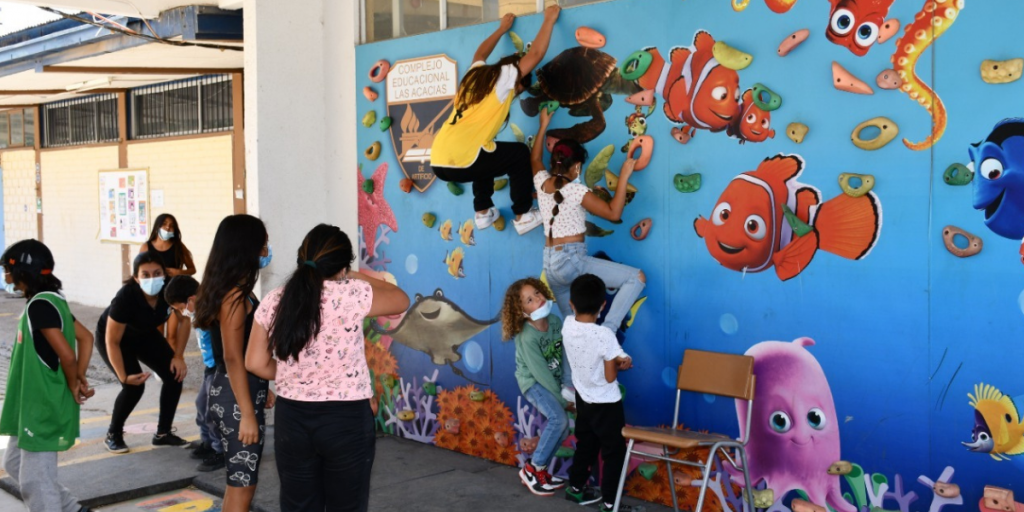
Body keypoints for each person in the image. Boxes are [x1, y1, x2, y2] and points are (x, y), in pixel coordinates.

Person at [246, 224, 409, 512]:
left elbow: (255, 362)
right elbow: (400, 299)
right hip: (345, 419)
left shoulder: (276, 298)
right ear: (342, 266)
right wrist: (350, 274)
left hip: (292, 418)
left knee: (298, 505)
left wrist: (293, 375)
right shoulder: (353, 293)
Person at [430, 6, 561, 235]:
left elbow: (480, 54)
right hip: (460, 158)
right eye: (520, 90)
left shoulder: (475, 75)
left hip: (440, 158)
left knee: (488, 151)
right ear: (517, 81)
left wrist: (501, 29)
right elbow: (536, 54)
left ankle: (483, 211)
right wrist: (549, 20)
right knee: (519, 153)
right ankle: (523, 214)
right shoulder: (504, 79)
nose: (517, 94)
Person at [533, 108, 646, 341]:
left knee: (573, 333)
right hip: (572, 261)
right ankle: (608, 330)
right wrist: (624, 176)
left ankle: (568, 379)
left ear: (554, 163)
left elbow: (534, 159)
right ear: (576, 167)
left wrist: (543, 125)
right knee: (636, 278)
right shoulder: (576, 190)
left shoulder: (542, 183)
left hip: (550, 264)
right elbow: (614, 213)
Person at [0, 239, 95, 512]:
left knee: (35, 481)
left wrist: (74, 380)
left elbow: (67, 355)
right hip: (30, 405)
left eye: (8, 269)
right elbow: (86, 339)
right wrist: (79, 377)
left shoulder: (39, 306)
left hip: (42, 404)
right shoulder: (52, 301)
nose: (5, 275)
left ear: (23, 272)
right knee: (15, 463)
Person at [194, 214, 274, 512]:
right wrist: (246, 413)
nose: (266, 250)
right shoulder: (234, 297)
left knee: (238, 484)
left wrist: (260, 389)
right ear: (246, 247)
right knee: (242, 489)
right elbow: (231, 357)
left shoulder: (237, 292)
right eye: (262, 244)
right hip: (234, 400)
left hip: (236, 394)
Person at [562, 274, 641, 512]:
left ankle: (575, 488)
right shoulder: (604, 336)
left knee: (586, 443)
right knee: (614, 452)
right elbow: (609, 377)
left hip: (582, 399)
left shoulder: (567, 325)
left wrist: (612, 358)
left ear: (572, 304)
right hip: (606, 404)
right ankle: (610, 503)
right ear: (603, 305)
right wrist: (621, 362)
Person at [96, 252, 189, 453]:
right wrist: (123, 376)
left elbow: (185, 320)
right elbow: (111, 341)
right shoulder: (125, 297)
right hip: (115, 339)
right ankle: (113, 434)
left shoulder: (169, 289)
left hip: (144, 334)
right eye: (145, 275)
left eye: (157, 273)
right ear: (136, 278)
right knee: (133, 386)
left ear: (164, 274)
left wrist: (179, 356)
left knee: (175, 375)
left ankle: (163, 434)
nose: (152, 278)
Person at [501, 277, 574, 497]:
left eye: (537, 293)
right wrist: (564, 401)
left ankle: (540, 470)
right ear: (521, 311)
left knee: (564, 427)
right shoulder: (526, 336)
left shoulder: (554, 322)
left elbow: (564, 355)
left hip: (554, 381)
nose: (538, 300)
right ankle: (532, 470)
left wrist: (568, 386)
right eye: (529, 300)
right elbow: (540, 373)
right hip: (533, 383)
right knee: (558, 419)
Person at [164, 275, 225, 472]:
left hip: (218, 368)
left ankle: (219, 451)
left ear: (191, 299)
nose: (181, 312)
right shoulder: (200, 314)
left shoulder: (211, 314)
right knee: (201, 405)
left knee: (212, 411)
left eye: (181, 307)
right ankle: (207, 442)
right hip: (210, 369)